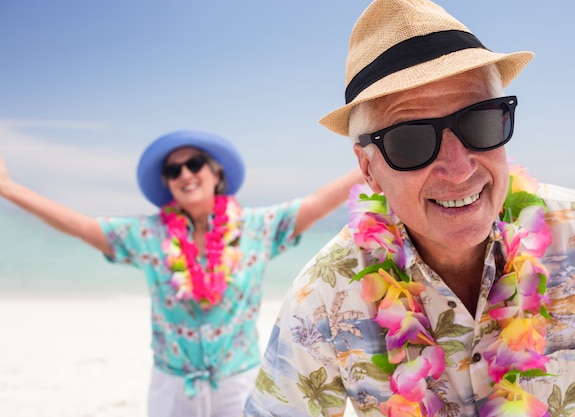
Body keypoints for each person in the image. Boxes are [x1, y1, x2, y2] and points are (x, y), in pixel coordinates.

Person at [242, 1, 575, 416]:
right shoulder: (323, 299)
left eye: (479, 121)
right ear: (368, 169)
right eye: (411, 141)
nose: (459, 170)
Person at [0, 129, 363, 417]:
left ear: (214, 172)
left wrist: (370, 159)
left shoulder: (256, 227)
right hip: (172, 385)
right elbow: (79, 225)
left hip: (239, 379)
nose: (185, 174)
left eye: (194, 164)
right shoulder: (148, 234)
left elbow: (316, 204)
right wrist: (8, 188)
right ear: (167, 184)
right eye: (174, 170)